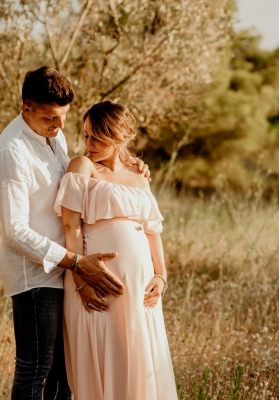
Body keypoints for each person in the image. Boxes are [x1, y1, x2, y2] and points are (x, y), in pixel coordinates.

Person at [0, 66, 149, 400]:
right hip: (37, 276)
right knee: (36, 369)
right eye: (50, 118)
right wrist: (77, 262)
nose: (60, 126)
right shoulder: (11, 153)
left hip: (68, 270)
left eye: (63, 117)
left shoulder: (52, 133)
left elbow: (84, 179)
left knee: (64, 372)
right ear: (26, 110)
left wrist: (130, 165)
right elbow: (15, 232)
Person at [54, 101, 178, 400]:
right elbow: (72, 228)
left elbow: (152, 231)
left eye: (97, 137)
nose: (89, 144)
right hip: (95, 285)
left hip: (140, 289)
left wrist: (161, 276)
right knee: (105, 362)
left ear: (119, 137)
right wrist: (80, 280)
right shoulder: (82, 166)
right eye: (85, 136)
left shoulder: (138, 176)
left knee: (141, 362)